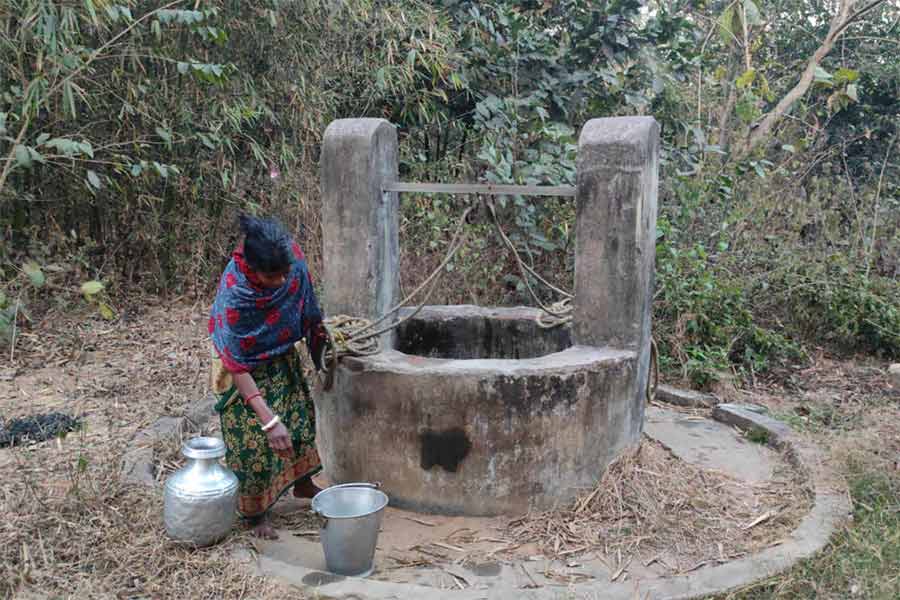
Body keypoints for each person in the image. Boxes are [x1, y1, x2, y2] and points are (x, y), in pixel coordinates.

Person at [208, 214, 328, 539]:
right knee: (254, 445)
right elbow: (234, 361)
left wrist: (322, 357)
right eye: (272, 276)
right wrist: (268, 420)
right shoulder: (235, 296)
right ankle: (256, 514)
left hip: (282, 357)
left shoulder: (293, 263)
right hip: (243, 374)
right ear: (252, 268)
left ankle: (303, 485)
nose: (282, 281)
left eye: (285, 273)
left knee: (301, 423)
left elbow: (309, 311)